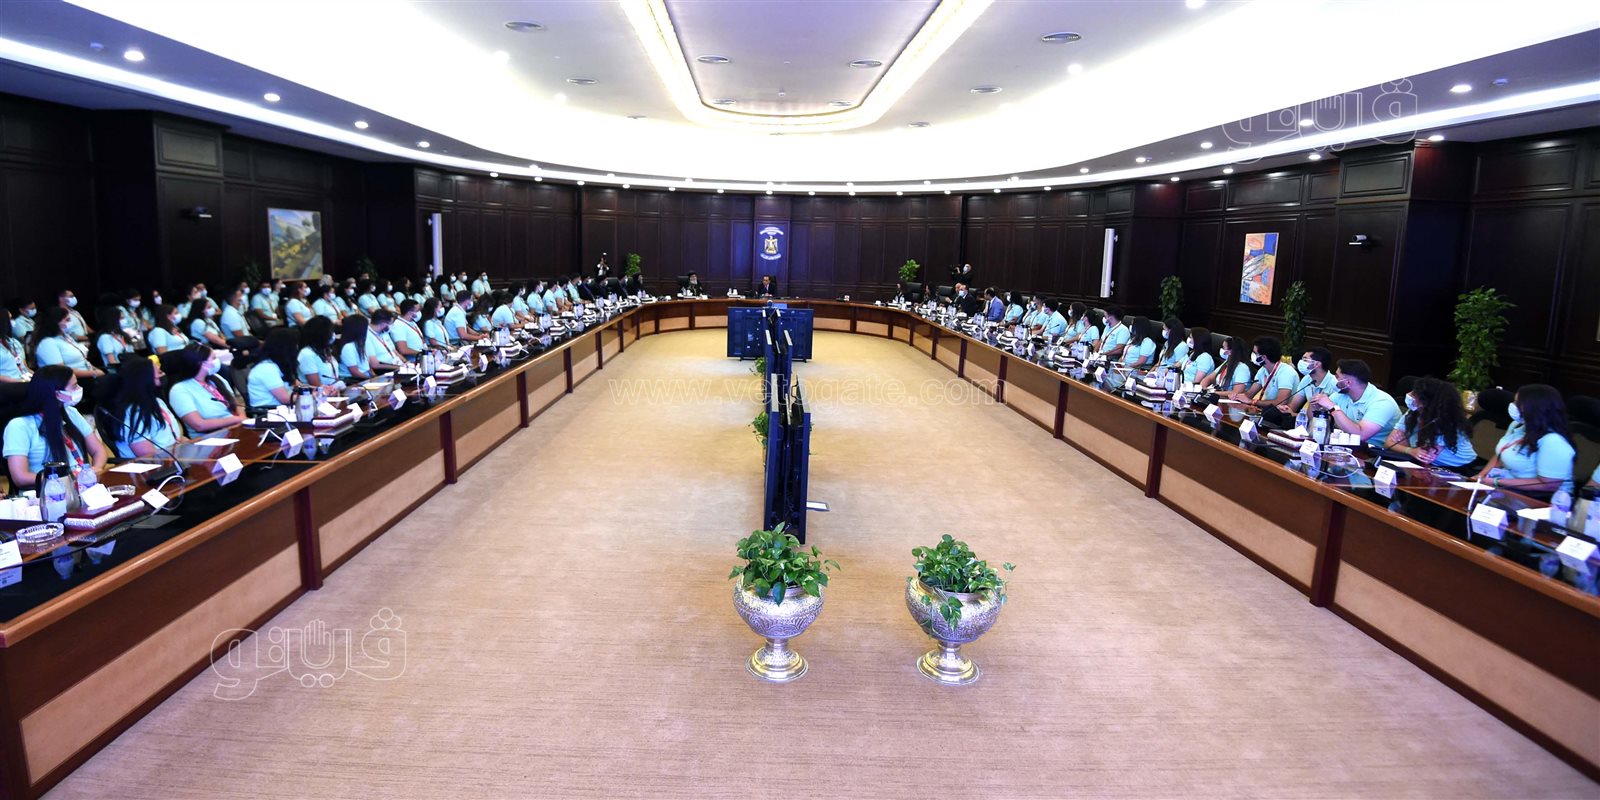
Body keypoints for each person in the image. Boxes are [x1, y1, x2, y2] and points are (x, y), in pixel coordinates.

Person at [3, 365, 107, 488]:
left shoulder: (71, 412)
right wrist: (65, 479)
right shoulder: (19, 426)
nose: (79, 389)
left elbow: (98, 450)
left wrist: (95, 469)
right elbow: (20, 477)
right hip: (48, 493)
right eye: (74, 387)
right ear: (57, 394)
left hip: (82, 487)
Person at [1477, 383, 1576, 494]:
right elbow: (1501, 453)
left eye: (1517, 403)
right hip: (1506, 487)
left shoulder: (1554, 441)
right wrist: (1481, 476)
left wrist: (1497, 481)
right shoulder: (1517, 425)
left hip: (1539, 497)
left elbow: (1549, 485)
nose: (1512, 406)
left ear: (1534, 408)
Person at [1384, 377, 1478, 469]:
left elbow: (1426, 456)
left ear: (1426, 401)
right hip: (1428, 465)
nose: (1409, 394)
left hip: (1460, 469)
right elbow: (1389, 443)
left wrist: (1405, 446)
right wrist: (1410, 450)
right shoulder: (1412, 413)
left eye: (1414, 393)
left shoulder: (1447, 421)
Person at [1307, 359, 1401, 446]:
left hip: (1373, 452)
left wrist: (1333, 407)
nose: (1333, 379)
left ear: (1348, 382)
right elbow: (1315, 422)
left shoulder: (1382, 402)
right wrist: (1315, 406)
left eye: (1337, 376)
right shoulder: (1340, 395)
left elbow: (1361, 436)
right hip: (1343, 446)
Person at [107, 356, 185, 459]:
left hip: (175, 456)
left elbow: (175, 438)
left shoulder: (158, 401)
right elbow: (148, 456)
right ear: (145, 379)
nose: (163, 375)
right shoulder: (132, 413)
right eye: (159, 373)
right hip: (158, 464)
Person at [164, 345, 245, 437]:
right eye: (213, 358)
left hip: (235, 429)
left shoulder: (216, 378)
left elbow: (236, 404)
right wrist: (237, 420)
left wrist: (242, 418)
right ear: (201, 363)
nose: (217, 361)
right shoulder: (179, 390)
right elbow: (199, 425)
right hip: (211, 437)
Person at [32, 307, 104, 381]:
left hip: (87, 375)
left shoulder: (66, 336)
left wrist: (96, 371)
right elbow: (61, 371)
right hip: (71, 382)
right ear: (55, 323)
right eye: (67, 320)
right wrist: (93, 373)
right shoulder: (47, 343)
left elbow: (83, 361)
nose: (70, 322)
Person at [1233, 336, 1295, 409]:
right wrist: (1236, 396)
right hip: (1267, 410)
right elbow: (1249, 394)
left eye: (1254, 353)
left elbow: (1280, 402)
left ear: (1263, 357)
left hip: (1282, 413)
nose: (1252, 355)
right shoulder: (1263, 370)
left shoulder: (1286, 372)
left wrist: (1253, 402)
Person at [247, 328, 299, 409]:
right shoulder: (267, 369)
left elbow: (298, 385)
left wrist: (315, 390)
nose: (297, 348)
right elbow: (285, 399)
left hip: (282, 409)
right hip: (270, 412)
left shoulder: (279, 364)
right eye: (294, 345)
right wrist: (309, 396)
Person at [1277, 346, 1338, 416]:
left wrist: (1294, 414)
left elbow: (1332, 417)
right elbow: (1293, 407)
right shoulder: (1307, 379)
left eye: (1305, 360)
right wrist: (1284, 409)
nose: (1301, 362)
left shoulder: (1334, 384)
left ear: (1317, 364)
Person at [296, 316, 342, 390]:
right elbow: (316, 385)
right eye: (330, 332)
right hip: (320, 393)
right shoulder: (307, 354)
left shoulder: (325, 349)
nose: (333, 334)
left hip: (335, 390)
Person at [337, 314, 378, 381]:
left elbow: (367, 366)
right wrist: (372, 380)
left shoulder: (360, 344)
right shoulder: (348, 347)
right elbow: (355, 373)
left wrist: (374, 376)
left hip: (365, 376)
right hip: (354, 380)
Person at [0, 307, 32, 383]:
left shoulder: (14, 342)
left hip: (24, 380)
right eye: (10, 319)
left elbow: (25, 367)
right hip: (9, 385)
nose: (13, 321)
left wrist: (34, 376)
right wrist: (17, 382)